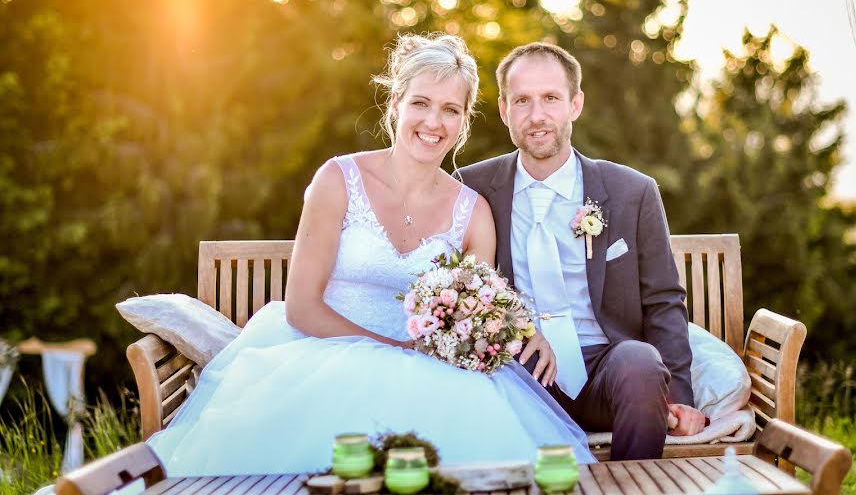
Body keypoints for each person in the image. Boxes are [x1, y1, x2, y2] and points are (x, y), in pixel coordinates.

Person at [146, 34, 592, 476]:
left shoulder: (473, 212)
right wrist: (393, 351)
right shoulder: (338, 179)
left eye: (450, 109)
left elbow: (478, 309)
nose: (433, 122)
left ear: (464, 121)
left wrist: (515, 328)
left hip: (432, 374)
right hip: (322, 358)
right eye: (421, 103)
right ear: (396, 102)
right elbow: (302, 307)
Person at [457, 42, 705, 461]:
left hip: (608, 367)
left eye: (551, 98)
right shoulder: (472, 186)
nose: (537, 116)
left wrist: (681, 397)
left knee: (641, 362)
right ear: (503, 110)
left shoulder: (632, 191)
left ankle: (636, 489)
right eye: (522, 101)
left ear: (575, 103)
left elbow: (664, 301)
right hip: (521, 370)